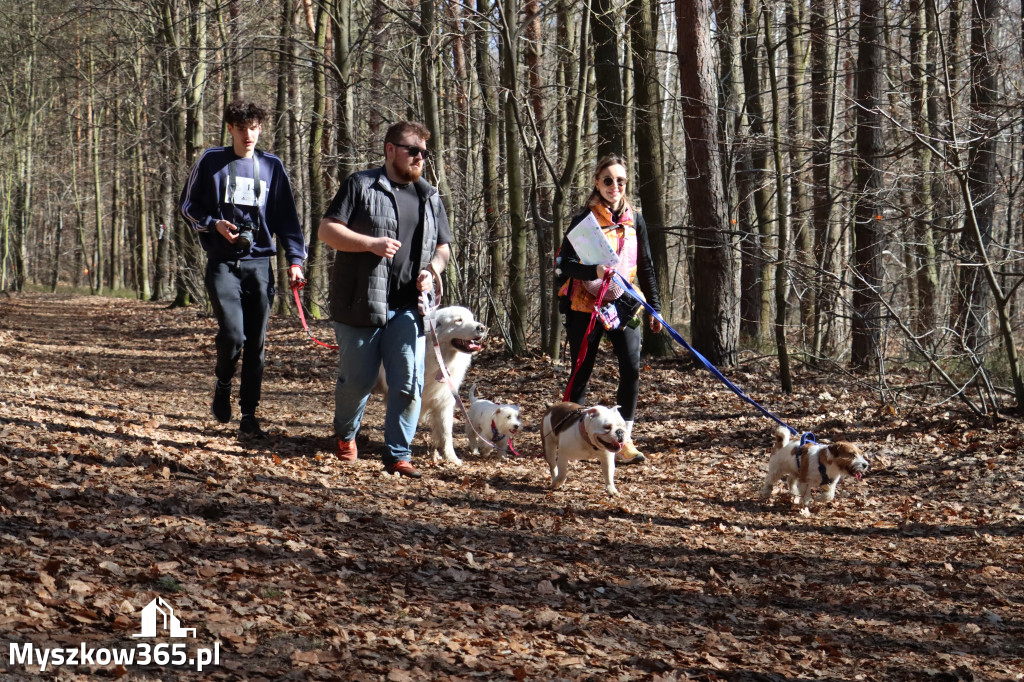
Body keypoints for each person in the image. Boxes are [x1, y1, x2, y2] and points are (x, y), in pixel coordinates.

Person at [318, 121, 451, 479]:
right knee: (357, 381)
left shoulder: (430, 196)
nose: (419, 157)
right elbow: (328, 230)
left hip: (409, 306)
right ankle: (346, 434)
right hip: (360, 302)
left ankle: (398, 454)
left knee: (408, 382)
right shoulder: (361, 185)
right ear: (391, 149)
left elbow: (443, 248)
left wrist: (433, 270)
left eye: (424, 152)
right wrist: (370, 244)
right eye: (413, 150)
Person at [179, 100, 306, 438]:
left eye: (254, 128)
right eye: (241, 128)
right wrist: (212, 224)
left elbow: (287, 219)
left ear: (260, 129)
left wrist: (295, 260)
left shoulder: (271, 166)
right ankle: (223, 381)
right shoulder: (212, 161)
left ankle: (249, 414)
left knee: (257, 344)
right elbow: (187, 205)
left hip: (260, 265)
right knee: (234, 336)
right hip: (222, 263)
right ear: (230, 129)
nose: (248, 134)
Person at [556, 154, 663, 464]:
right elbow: (565, 265)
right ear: (596, 182)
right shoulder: (583, 219)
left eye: (620, 181)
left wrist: (655, 308)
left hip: (625, 305)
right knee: (581, 371)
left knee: (630, 369)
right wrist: (595, 273)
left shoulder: (635, 219)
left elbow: (646, 266)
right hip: (584, 305)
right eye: (608, 180)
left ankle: (623, 440)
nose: (614, 186)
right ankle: (571, 437)